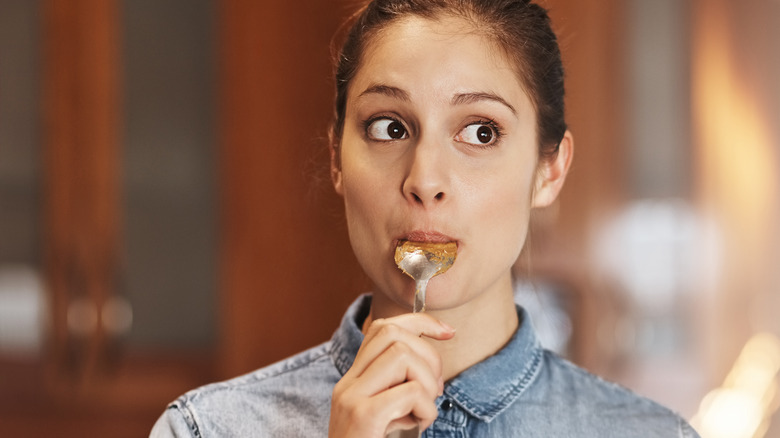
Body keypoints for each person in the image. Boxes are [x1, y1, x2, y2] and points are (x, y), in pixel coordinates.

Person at [151, 0, 700, 436]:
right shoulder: (206, 430)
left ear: (548, 171)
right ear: (337, 159)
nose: (425, 180)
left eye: (480, 132)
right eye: (388, 127)